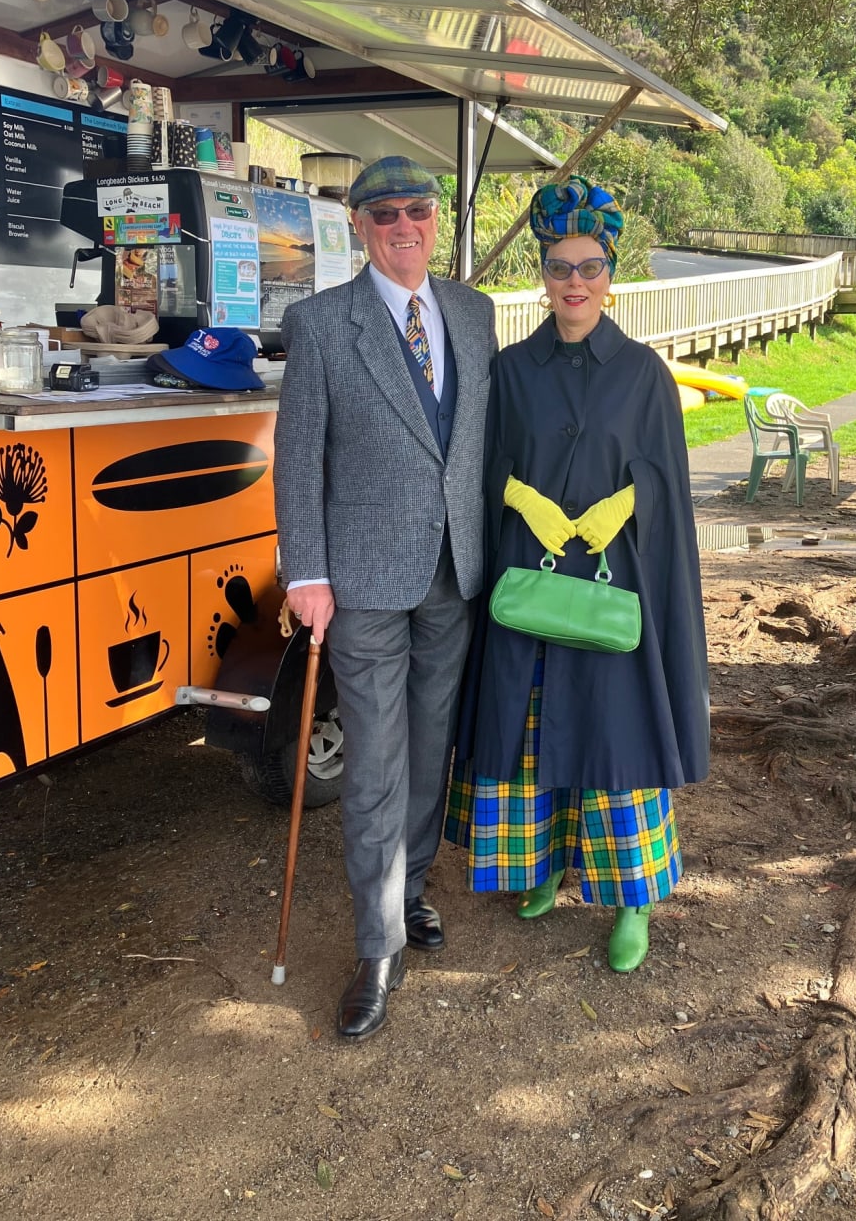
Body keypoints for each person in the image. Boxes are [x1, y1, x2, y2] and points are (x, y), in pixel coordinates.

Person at [447, 176, 709, 972]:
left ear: (611, 272)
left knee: (612, 731)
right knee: (531, 727)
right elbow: (479, 464)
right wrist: (516, 494)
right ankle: (541, 866)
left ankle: (632, 899)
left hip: (612, 577)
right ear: (542, 271)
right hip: (530, 568)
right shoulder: (511, 369)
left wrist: (626, 503)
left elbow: (668, 476)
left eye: (590, 267)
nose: (574, 283)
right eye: (560, 266)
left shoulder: (643, 373)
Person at [274, 156, 497, 1040]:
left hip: (455, 571)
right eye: (384, 214)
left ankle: (409, 892)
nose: (404, 226)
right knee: (374, 758)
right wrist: (306, 573)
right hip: (362, 576)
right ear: (359, 225)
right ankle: (377, 946)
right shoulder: (322, 323)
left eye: (418, 210)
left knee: (431, 745)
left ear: (435, 220)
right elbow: (298, 459)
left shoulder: (475, 314)